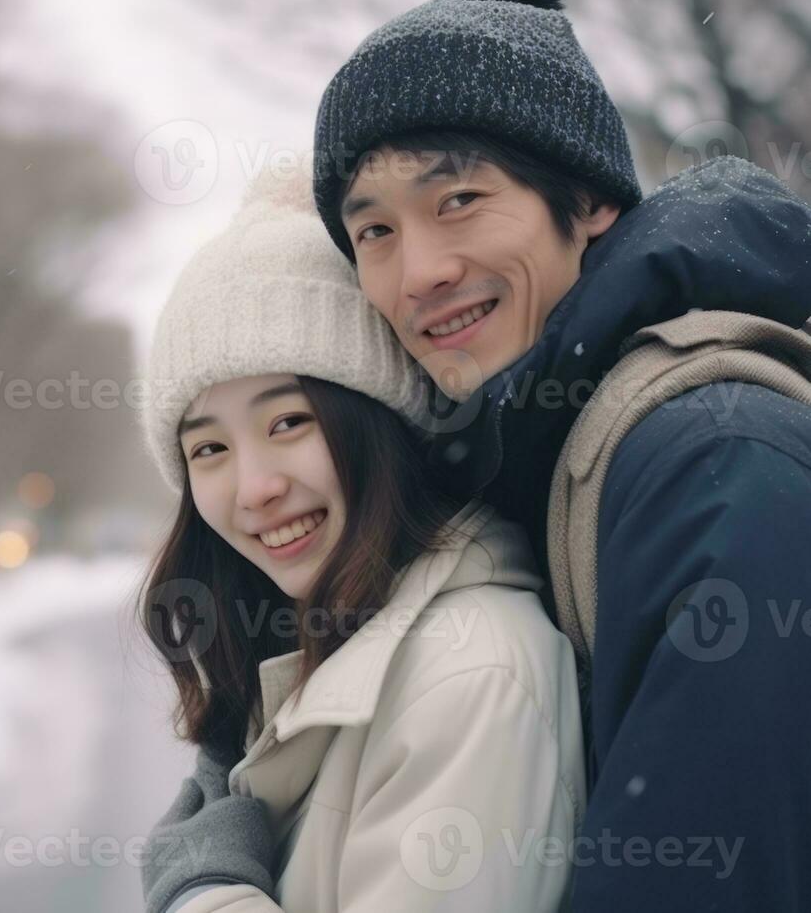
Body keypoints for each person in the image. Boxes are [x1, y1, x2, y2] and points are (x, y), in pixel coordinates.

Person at [311, 0, 811, 909]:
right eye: (372, 230)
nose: (418, 273)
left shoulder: (710, 460)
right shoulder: (532, 458)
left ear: (585, 202)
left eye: (458, 200)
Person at [134, 167, 584, 912]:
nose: (253, 489)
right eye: (208, 449)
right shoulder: (318, 650)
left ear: (378, 426)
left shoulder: (468, 675)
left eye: (288, 423)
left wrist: (205, 891)